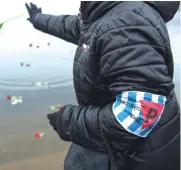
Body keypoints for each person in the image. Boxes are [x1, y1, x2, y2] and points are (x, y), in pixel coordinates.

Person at [25, 1, 180, 170]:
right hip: (128, 150)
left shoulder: (126, 23)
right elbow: (70, 26)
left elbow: (138, 114)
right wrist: (37, 19)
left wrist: (69, 121)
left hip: (139, 157)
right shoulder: (105, 15)